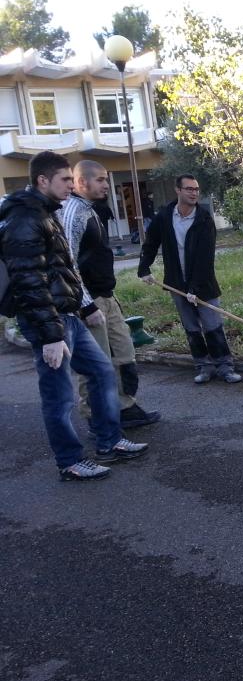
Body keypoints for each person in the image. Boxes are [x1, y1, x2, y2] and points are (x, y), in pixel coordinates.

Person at [0, 151, 148, 481]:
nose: (71, 185)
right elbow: (29, 280)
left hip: (69, 315)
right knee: (59, 396)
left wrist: (81, 306)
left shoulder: (46, 213)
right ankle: (70, 460)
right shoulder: (26, 219)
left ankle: (109, 441)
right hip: (49, 323)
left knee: (101, 372)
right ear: (42, 180)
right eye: (65, 180)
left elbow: (62, 270)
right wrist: (51, 336)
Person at [59, 160, 161, 429]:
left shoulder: (92, 210)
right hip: (88, 302)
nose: (107, 185)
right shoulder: (73, 212)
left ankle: (124, 407)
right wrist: (86, 305)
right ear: (82, 182)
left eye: (106, 179)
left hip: (106, 295)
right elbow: (66, 264)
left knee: (124, 353)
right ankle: (97, 418)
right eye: (101, 180)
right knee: (96, 364)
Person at [137, 174, 242, 384]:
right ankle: (204, 366)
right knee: (192, 328)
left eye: (196, 189)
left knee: (212, 326)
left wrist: (195, 288)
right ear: (178, 190)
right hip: (176, 283)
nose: (194, 193)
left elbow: (206, 258)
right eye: (189, 189)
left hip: (204, 284)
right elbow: (150, 244)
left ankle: (224, 366)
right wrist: (143, 268)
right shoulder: (165, 217)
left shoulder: (204, 219)